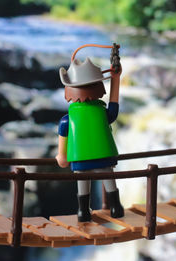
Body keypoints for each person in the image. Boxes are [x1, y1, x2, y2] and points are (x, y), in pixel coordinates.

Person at [56, 44, 124, 222]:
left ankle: (83, 212)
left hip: (80, 160)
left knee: (82, 185)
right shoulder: (102, 112)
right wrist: (116, 80)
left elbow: (63, 137)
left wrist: (61, 155)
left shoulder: (67, 118)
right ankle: (116, 207)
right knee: (109, 179)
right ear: (98, 85)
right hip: (104, 157)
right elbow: (114, 109)